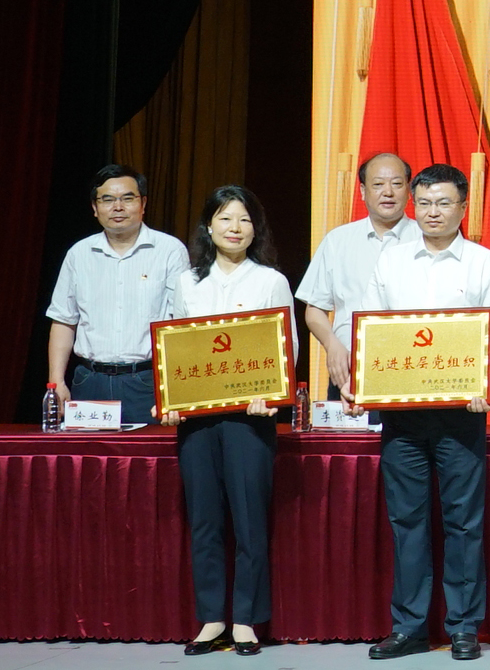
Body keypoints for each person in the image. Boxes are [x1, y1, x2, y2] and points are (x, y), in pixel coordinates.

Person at [355, 164, 490, 661]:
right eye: (424, 203)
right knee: (406, 520)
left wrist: (482, 382)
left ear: (463, 207)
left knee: (463, 520)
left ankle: (464, 626)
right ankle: (409, 627)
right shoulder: (391, 261)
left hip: (460, 412)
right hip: (403, 415)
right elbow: (372, 330)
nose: (433, 212)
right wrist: (365, 384)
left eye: (444, 203)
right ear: (415, 206)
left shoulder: (484, 263)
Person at [164, 186, 291, 657]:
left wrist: (270, 396)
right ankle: (212, 618)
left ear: (255, 229)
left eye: (244, 220)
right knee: (205, 520)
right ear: (208, 227)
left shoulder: (270, 281)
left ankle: (245, 621)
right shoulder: (187, 282)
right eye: (225, 218)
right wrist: (171, 398)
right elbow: (173, 345)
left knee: (249, 520)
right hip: (196, 420)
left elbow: (286, 346)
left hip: (248, 420)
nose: (234, 228)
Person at [46, 163, 189, 425]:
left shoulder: (170, 250)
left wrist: (176, 389)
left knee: (150, 452)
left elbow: (180, 324)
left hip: (147, 382)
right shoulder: (79, 254)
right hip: (90, 381)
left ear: (143, 203)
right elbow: (64, 320)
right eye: (108, 199)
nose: (118, 207)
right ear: (95, 207)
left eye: (127, 198)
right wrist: (56, 382)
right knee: (89, 453)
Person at [301, 153, 422, 403]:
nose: (388, 192)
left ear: (409, 191)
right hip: (349, 371)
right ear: (363, 191)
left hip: (412, 368)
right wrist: (332, 345)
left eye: (397, 184)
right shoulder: (338, 241)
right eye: (378, 184)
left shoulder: (426, 239)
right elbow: (314, 309)